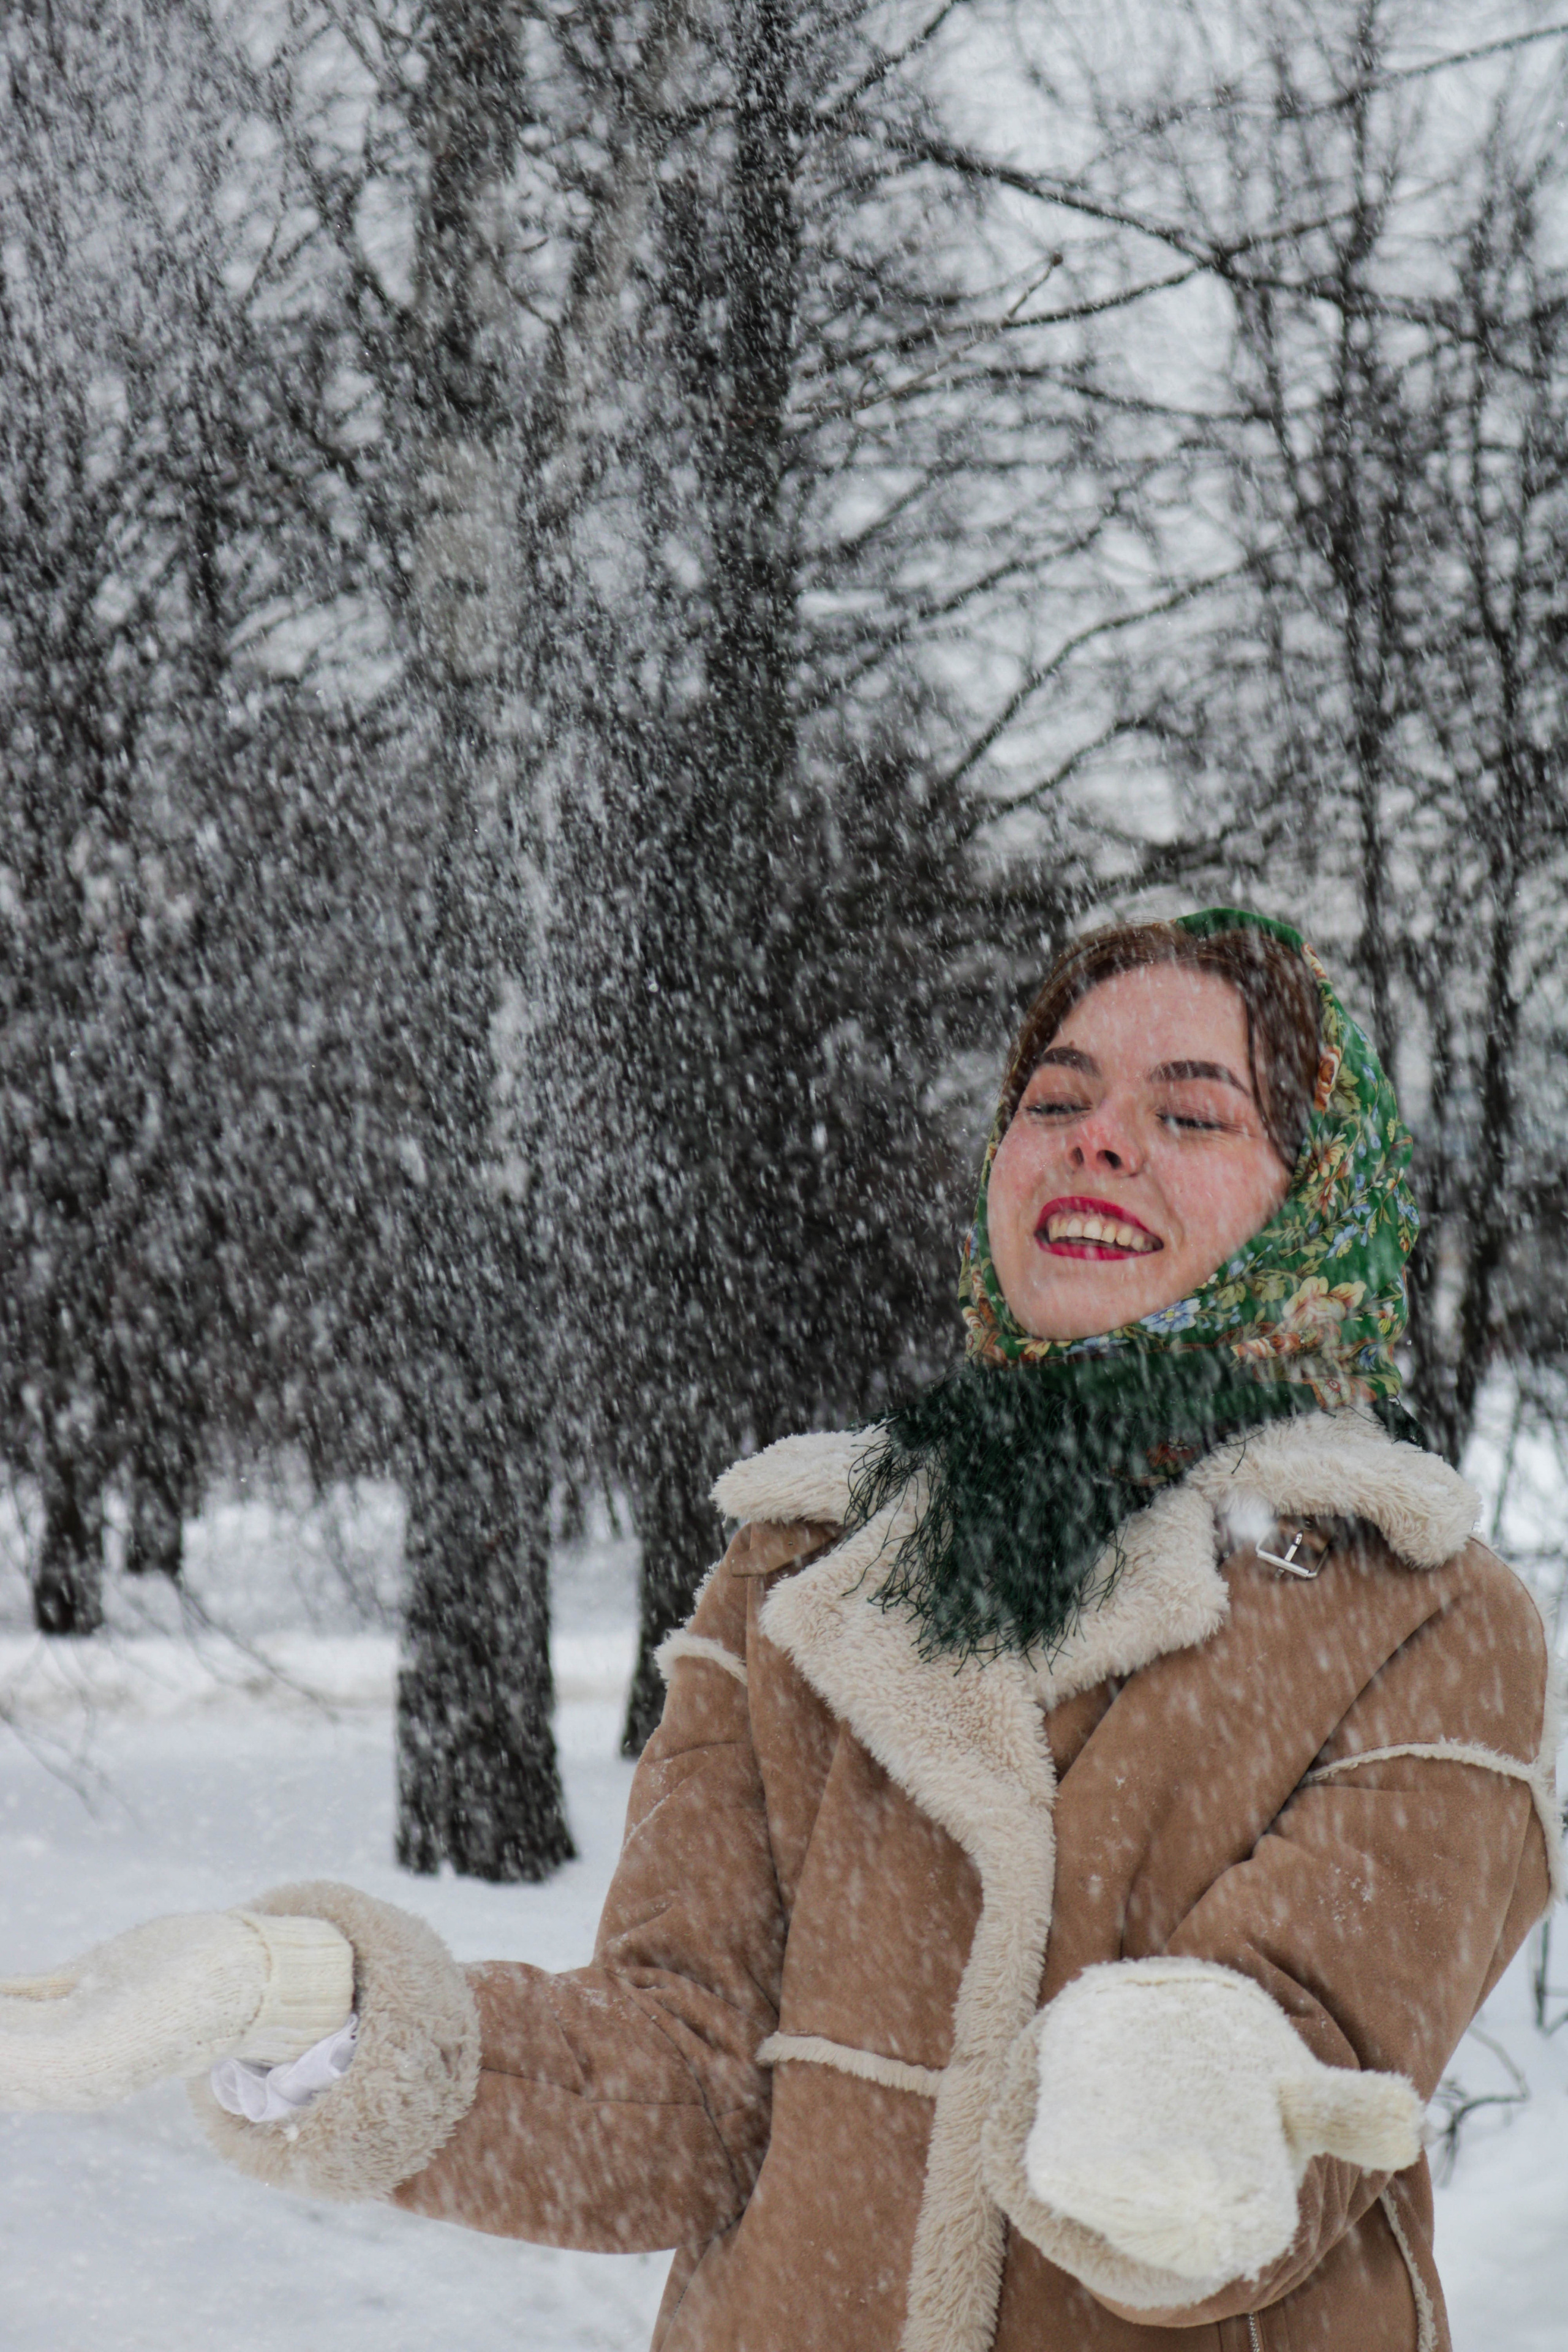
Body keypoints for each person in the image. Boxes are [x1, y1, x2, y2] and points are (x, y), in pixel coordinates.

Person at [1, 908, 1558, 2352]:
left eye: (1191, 1113)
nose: (1098, 1140)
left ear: (1316, 1209)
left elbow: (1280, 2111)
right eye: (1055, 1097)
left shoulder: (1421, 1614)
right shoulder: (808, 1566)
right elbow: (677, 2081)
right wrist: (308, 2003)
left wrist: (1192, 2099)